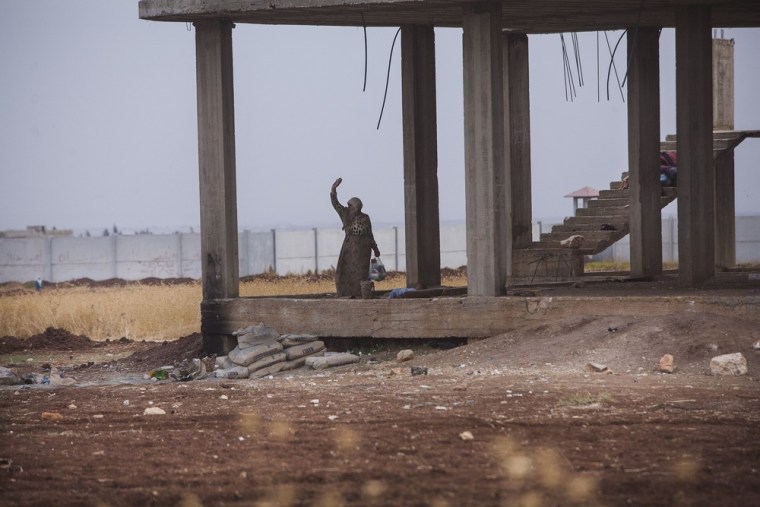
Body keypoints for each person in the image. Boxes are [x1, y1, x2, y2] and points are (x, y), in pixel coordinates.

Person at [330, 177, 380, 298]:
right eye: (348, 206)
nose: (349, 208)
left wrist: (375, 248)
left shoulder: (365, 218)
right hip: (349, 248)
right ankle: (345, 293)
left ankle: (360, 293)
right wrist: (333, 190)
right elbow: (335, 204)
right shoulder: (346, 214)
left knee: (360, 274)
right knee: (344, 271)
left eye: (351, 206)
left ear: (357, 207)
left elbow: (370, 234)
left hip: (363, 250)